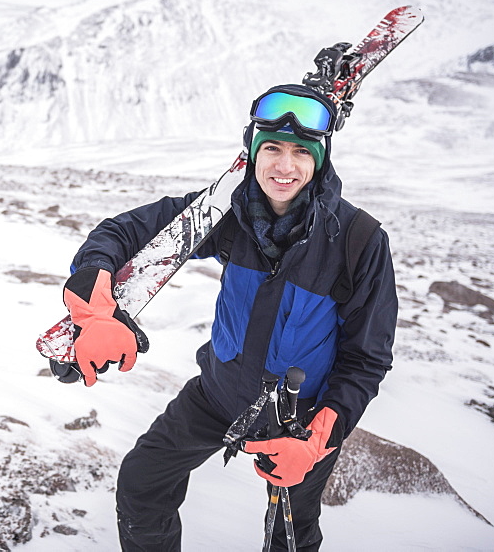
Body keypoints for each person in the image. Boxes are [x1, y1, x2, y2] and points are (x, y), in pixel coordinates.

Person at [61, 83, 398, 551]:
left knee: (291, 538)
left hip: (300, 420)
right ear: (252, 151)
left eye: (301, 151)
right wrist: (96, 309)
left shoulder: (359, 240)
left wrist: (319, 438)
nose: (284, 165)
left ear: (320, 159)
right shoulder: (224, 213)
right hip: (217, 394)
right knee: (143, 482)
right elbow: (123, 232)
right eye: (273, 148)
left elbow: (367, 358)